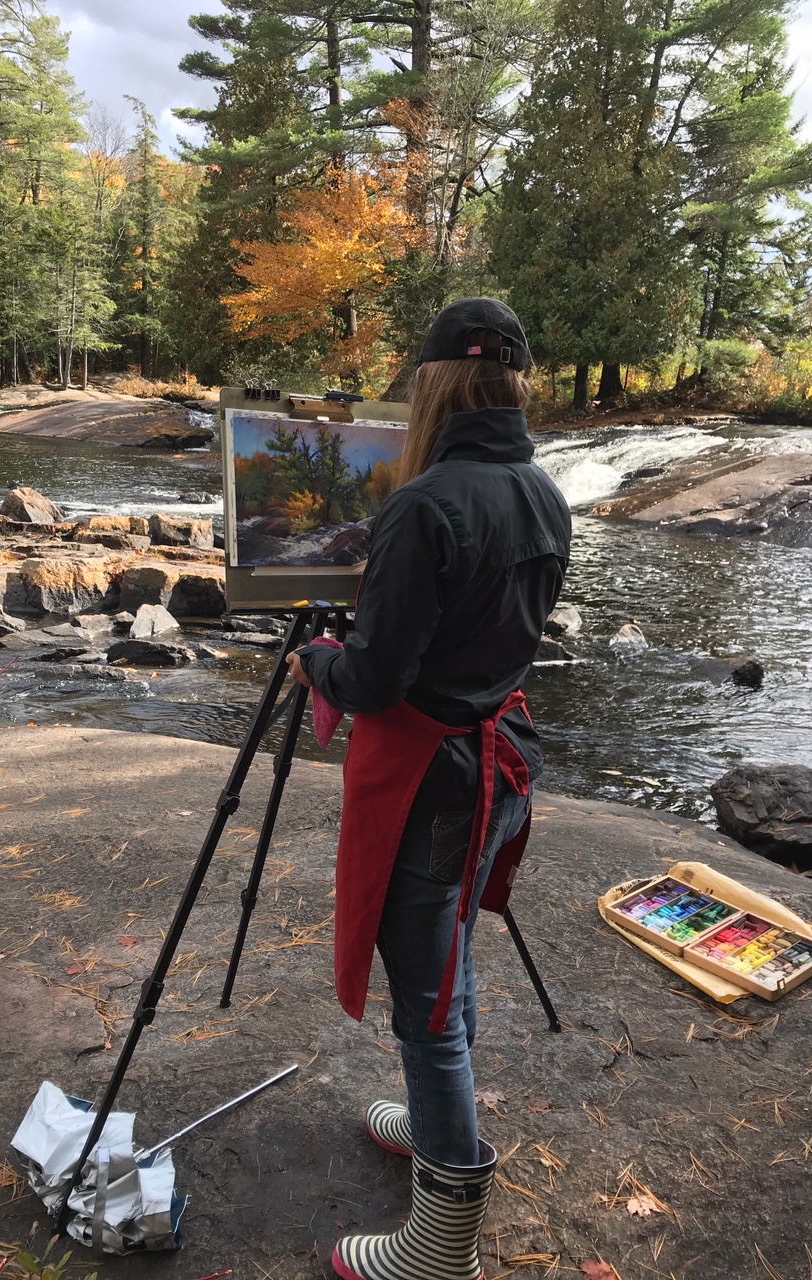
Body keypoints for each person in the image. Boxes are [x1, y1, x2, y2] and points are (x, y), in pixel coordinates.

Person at [286, 297, 571, 1280]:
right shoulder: (544, 491)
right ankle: (432, 1111)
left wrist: (318, 662)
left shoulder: (425, 503)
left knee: (428, 994)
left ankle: (442, 1236)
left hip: (436, 784)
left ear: (434, 384)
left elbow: (375, 681)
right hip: (500, 758)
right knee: (448, 956)